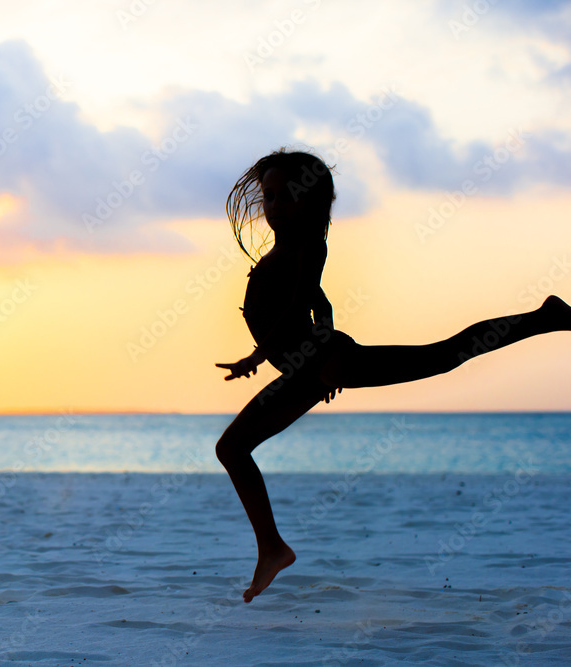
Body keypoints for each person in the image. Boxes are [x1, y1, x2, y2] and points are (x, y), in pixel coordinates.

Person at [214, 148, 571, 603]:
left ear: (311, 201)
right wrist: (321, 349)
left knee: (443, 356)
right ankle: (272, 548)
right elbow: (318, 305)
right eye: (271, 196)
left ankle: (543, 318)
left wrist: (263, 356)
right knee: (234, 448)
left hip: (316, 363)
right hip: (315, 364)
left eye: (288, 196)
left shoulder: (306, 245)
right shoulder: (286, 250)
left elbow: (293, 306)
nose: (277, 204)